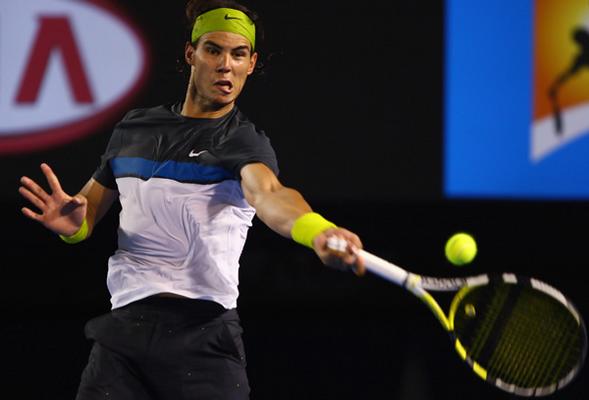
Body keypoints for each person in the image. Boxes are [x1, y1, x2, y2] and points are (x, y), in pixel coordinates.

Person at [18, 0, 364, 398]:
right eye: (213, 50)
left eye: (238, 55)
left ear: (251, 64)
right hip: (123, 337)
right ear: (191, 54)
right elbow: (87, 210)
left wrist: (316, 230)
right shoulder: (133, 129)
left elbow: (270, 194)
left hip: (204, 338)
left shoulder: (242, 141)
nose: (225, 65)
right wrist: (72, 226)